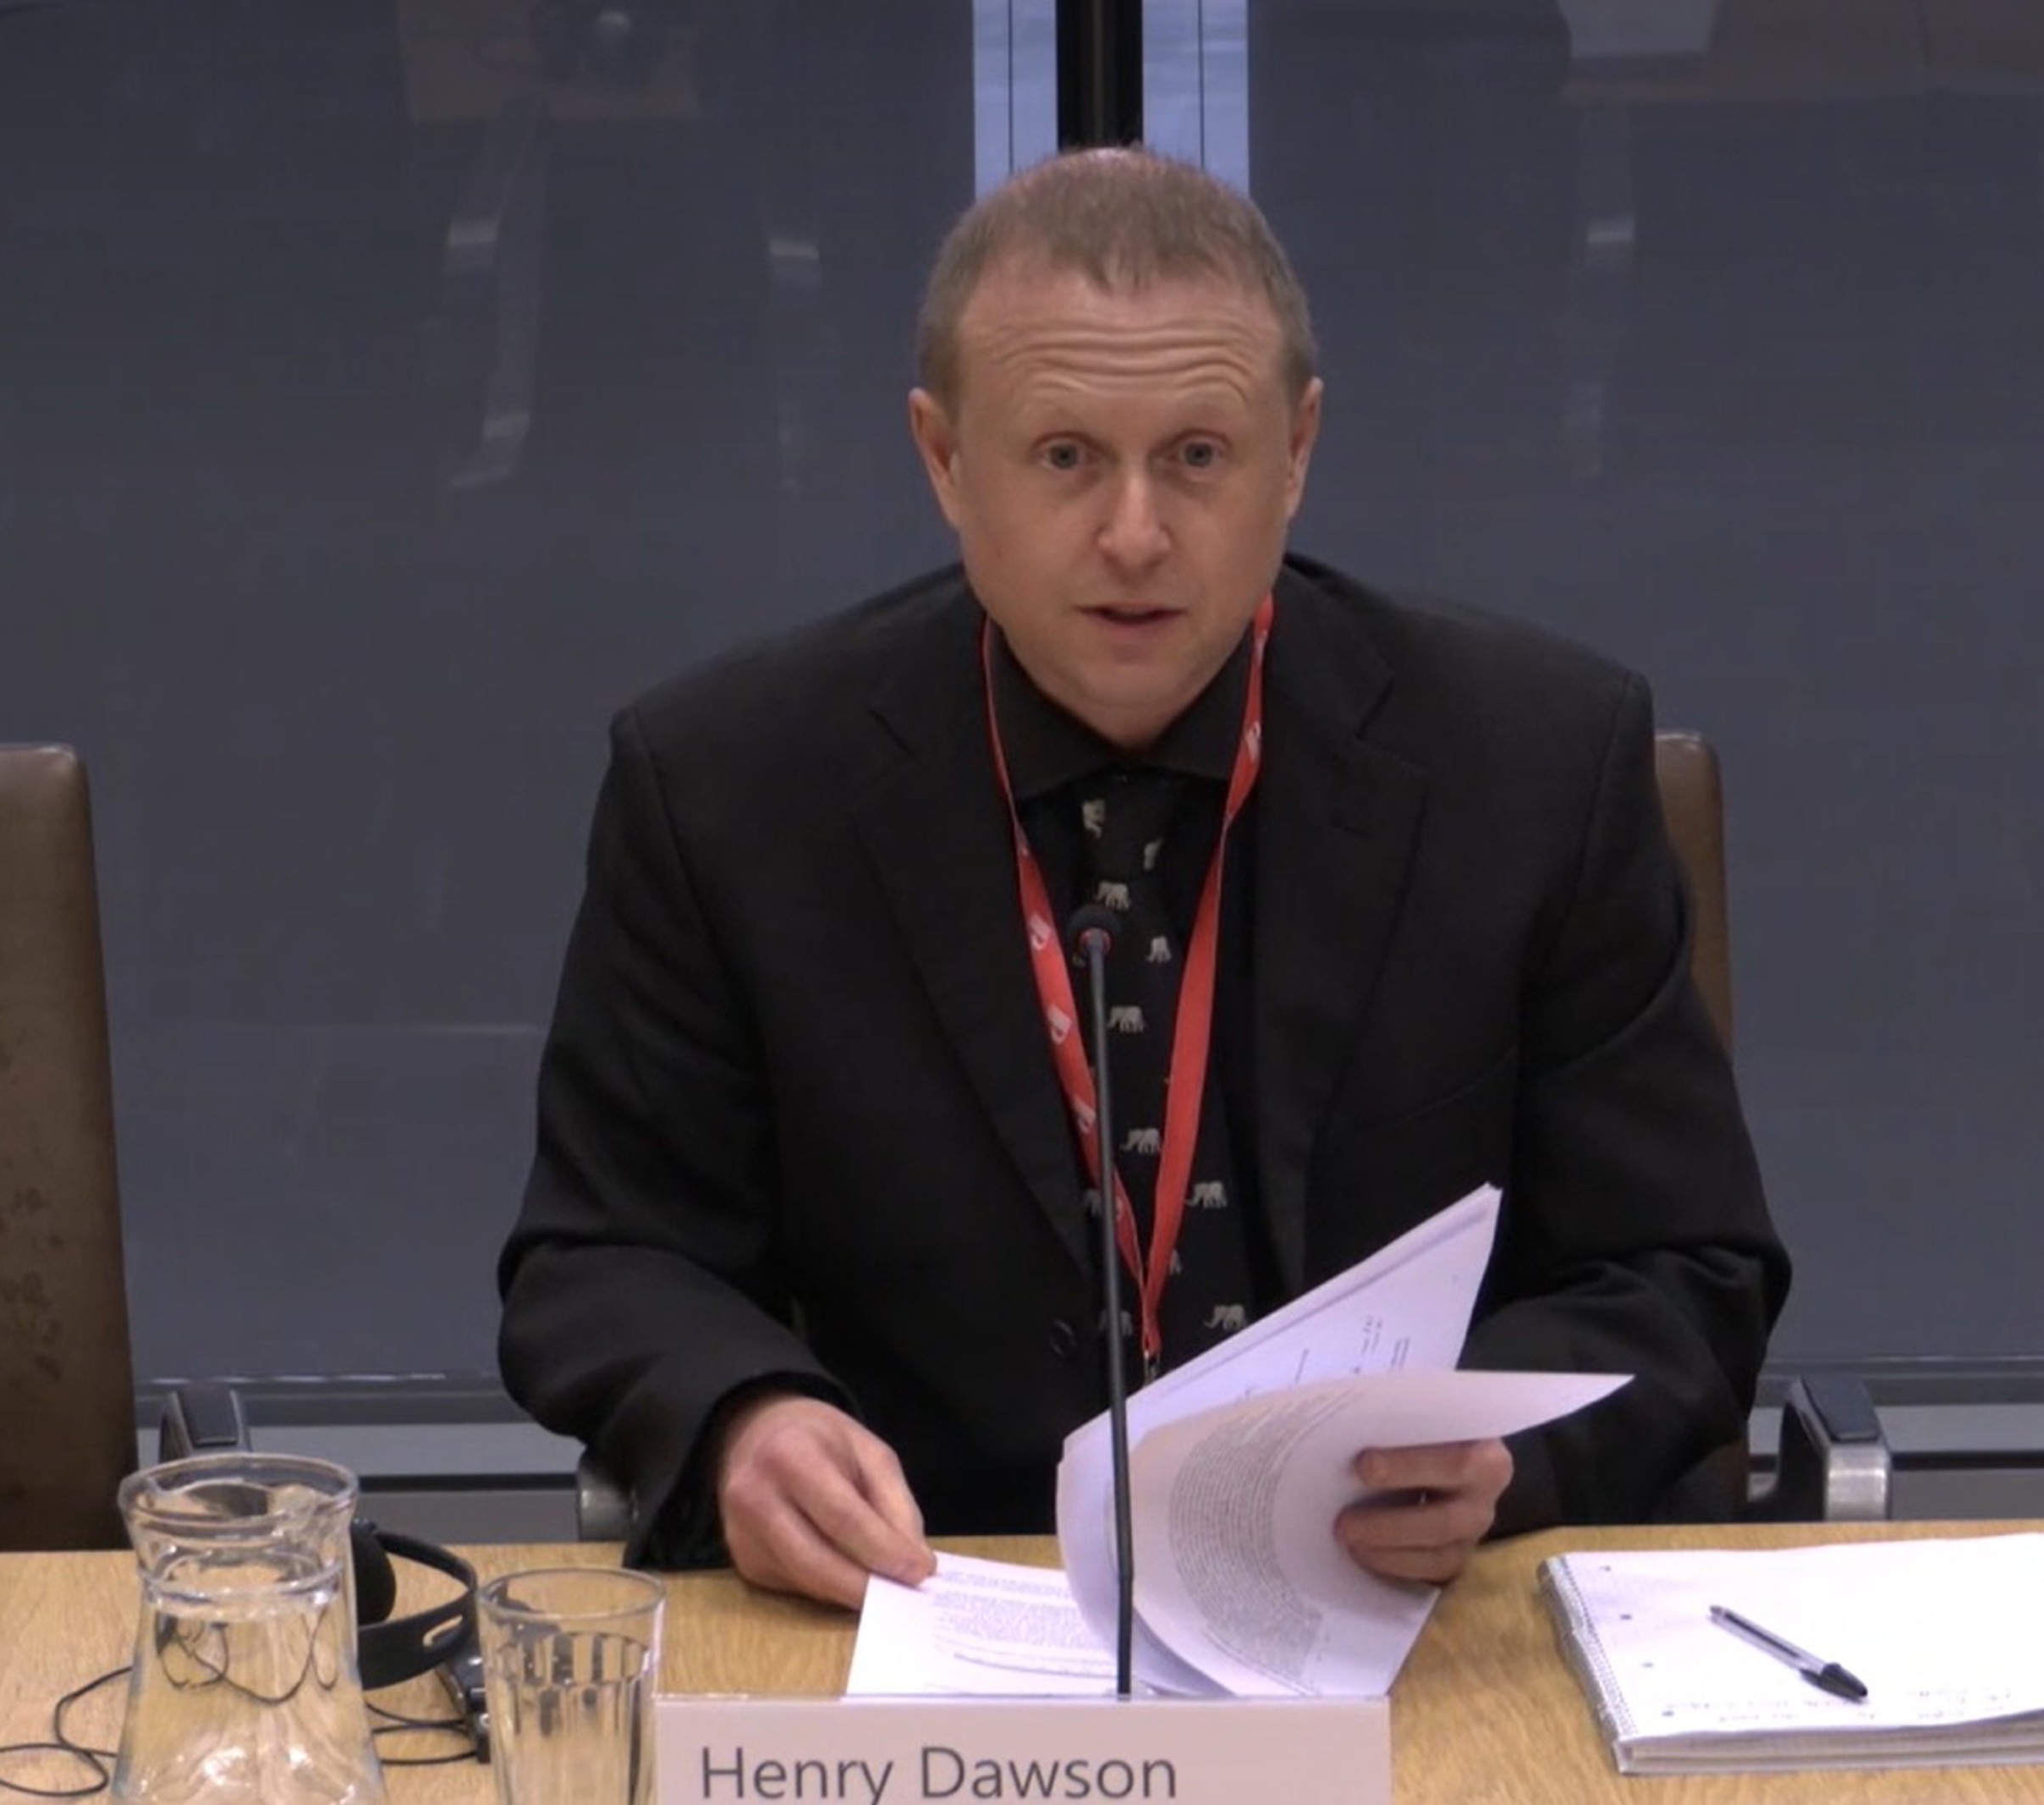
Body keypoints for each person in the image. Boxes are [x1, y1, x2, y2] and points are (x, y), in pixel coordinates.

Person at [497, 146, 1787, 1608]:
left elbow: (1688, 1269)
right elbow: (599, 1256)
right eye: (1064, 458)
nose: (1134, 535)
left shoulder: (1534, 765)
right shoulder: (728, 786)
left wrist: (1509, 1458)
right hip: (933, 1598)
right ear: (941, 459)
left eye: (1196, 455)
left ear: (1296, 451)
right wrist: (741, 1414)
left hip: (1404, 1620)